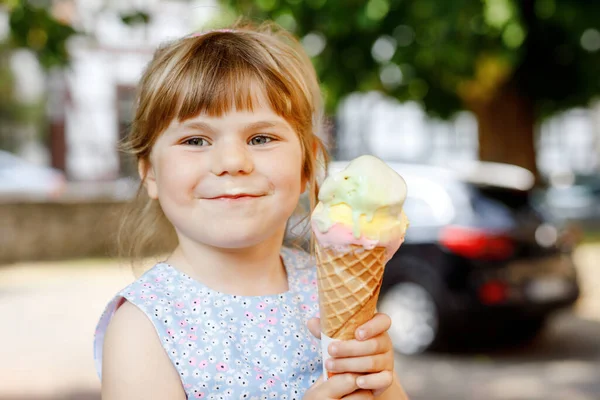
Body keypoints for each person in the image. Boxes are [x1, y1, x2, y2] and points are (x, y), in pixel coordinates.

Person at [94, 20, 409, 400]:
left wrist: (383, 383)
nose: (232, 161)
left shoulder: (320, 288)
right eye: (196, 140)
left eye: (261, 138)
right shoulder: (143, 327)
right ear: (150, 174)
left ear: (307, 164)